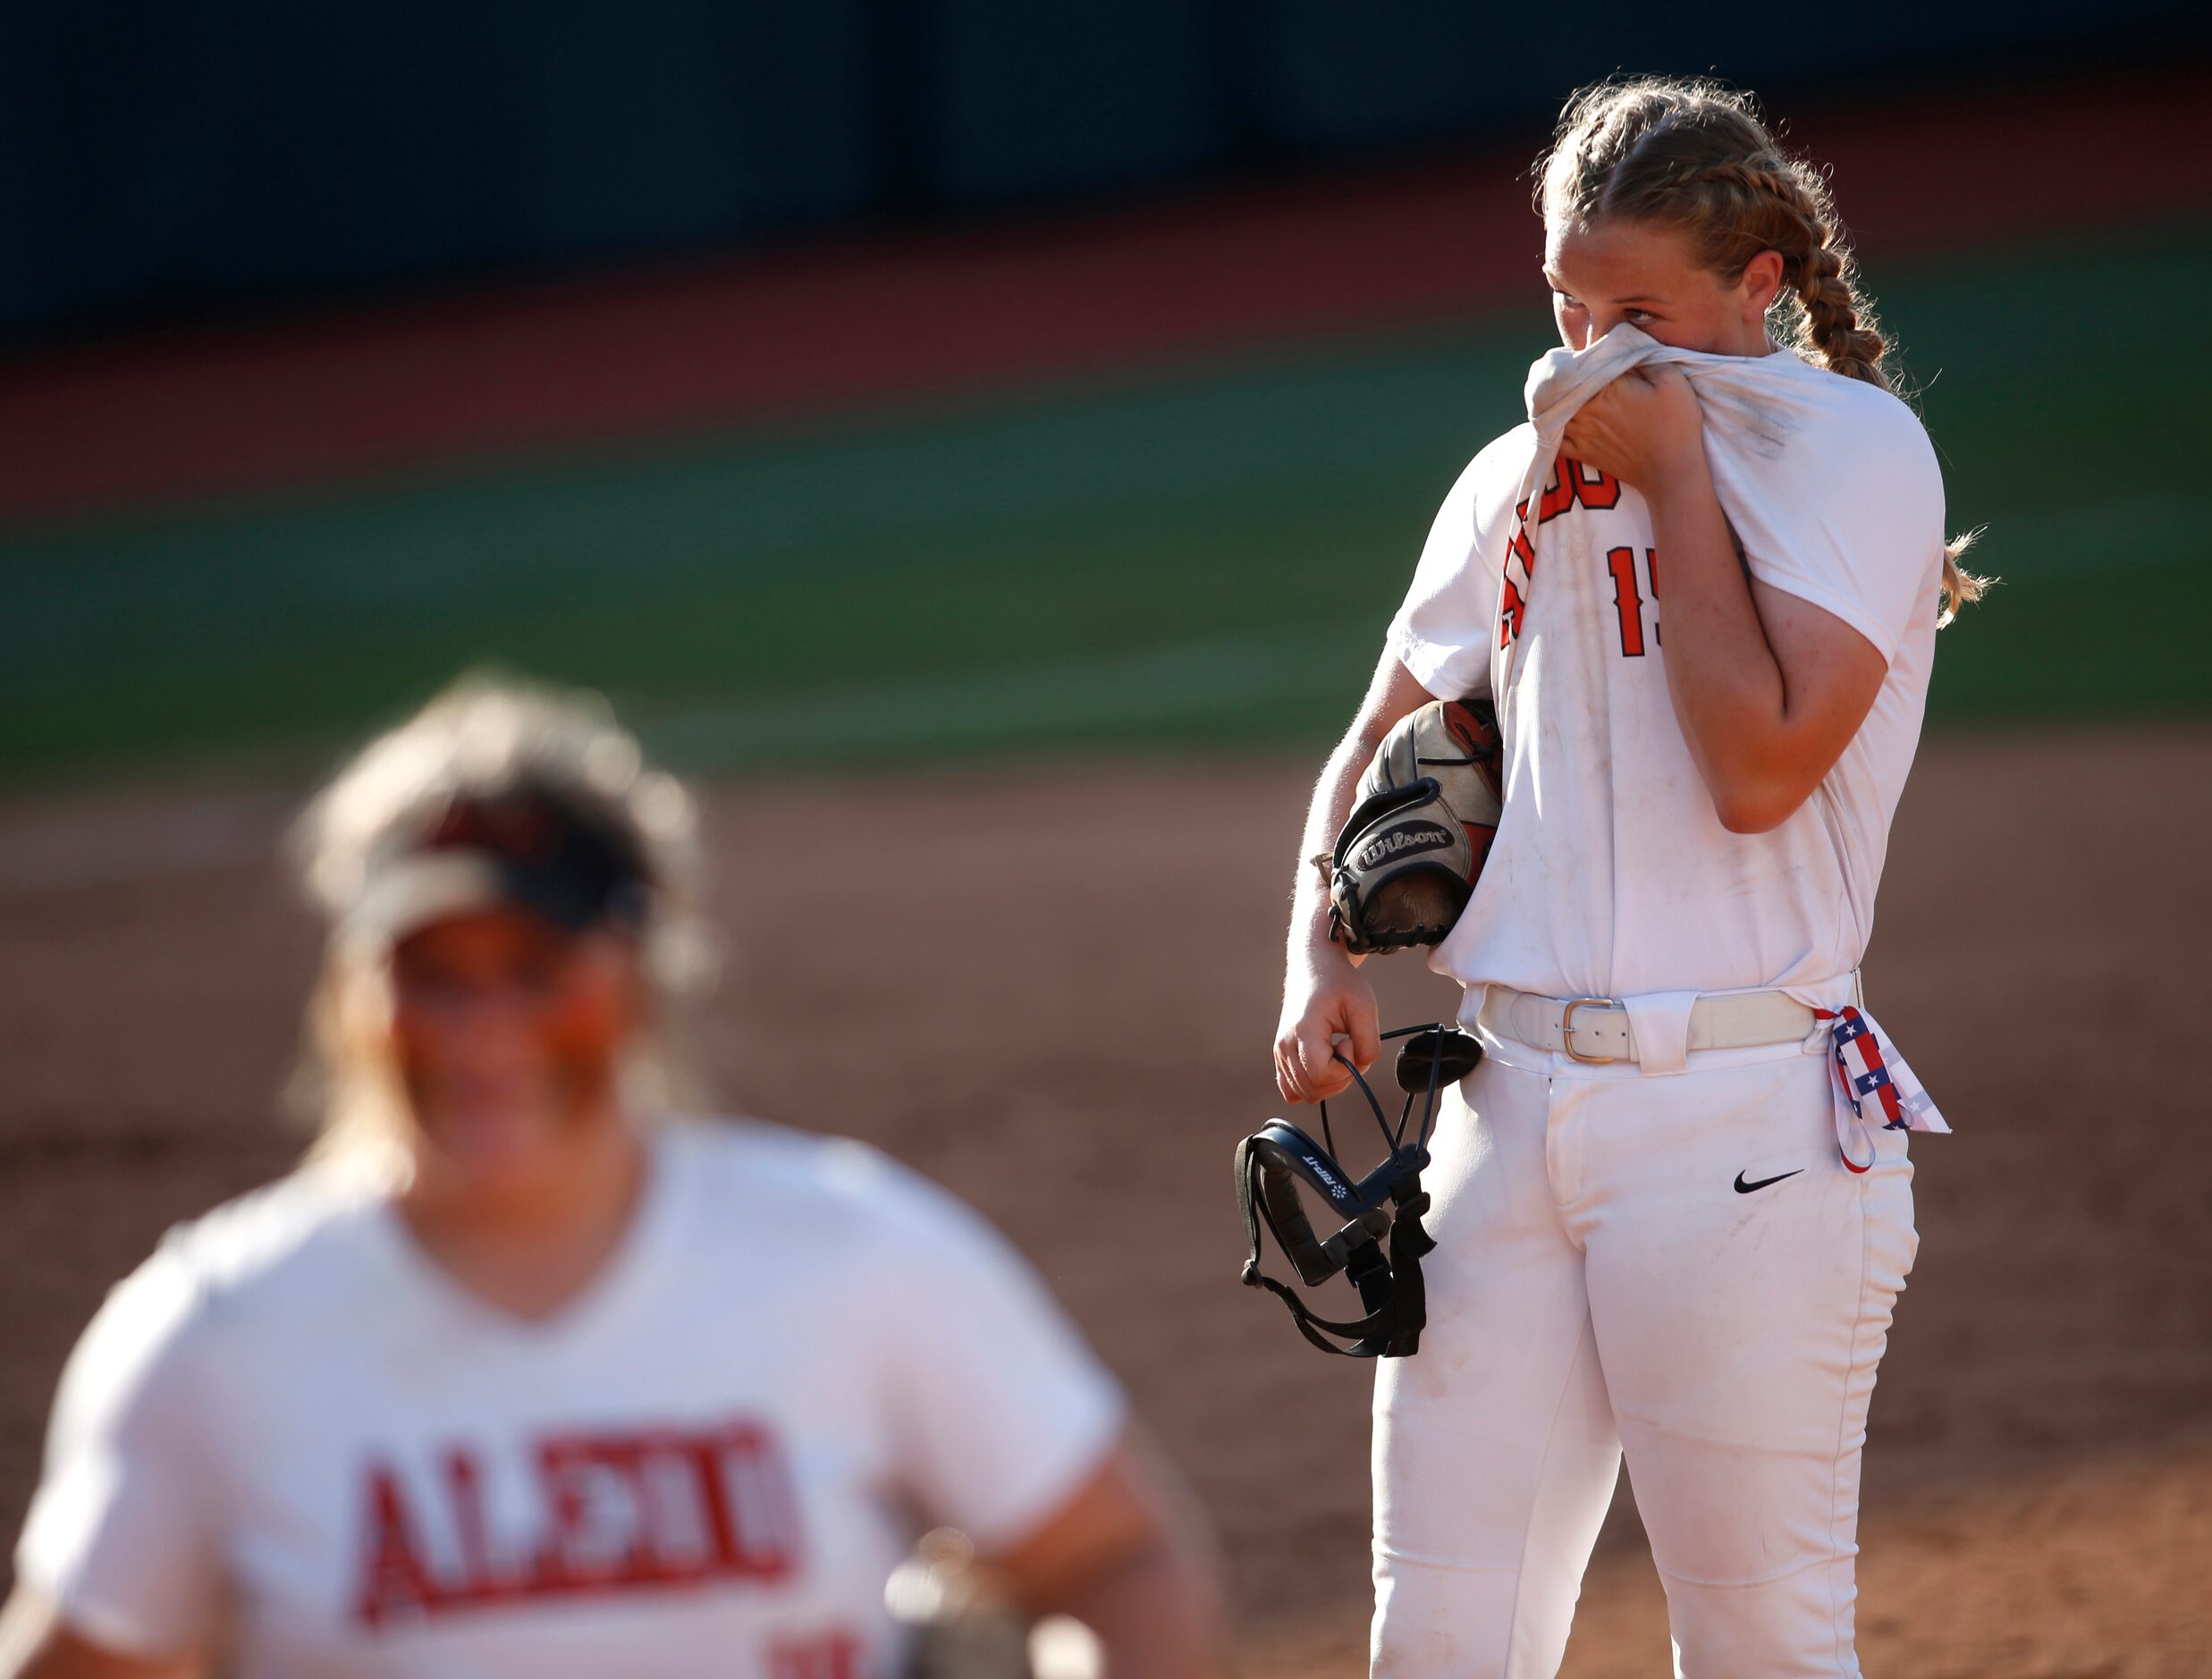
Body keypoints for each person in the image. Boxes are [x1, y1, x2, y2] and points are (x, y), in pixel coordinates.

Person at [3, 676, 1227, 1679]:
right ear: (351, 993)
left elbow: (1116, 1557)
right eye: (434, 971)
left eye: (536, 967)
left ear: (640, 971)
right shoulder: (219, 1333)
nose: (485, 1028)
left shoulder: (852, 1256)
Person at [1272, 78, 1982, 1676]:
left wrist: (1668, 481)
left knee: (1755, 1647)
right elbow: (1381, 729)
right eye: (1565, 303)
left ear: (1761, 287)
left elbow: (1755, 772)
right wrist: (1315, 951)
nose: (1588, 349)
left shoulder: (1851, 449)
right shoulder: (1508, 468)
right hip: (1501, 1110)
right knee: (1439, 1635)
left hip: (1737, 1117)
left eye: (1637, 310)